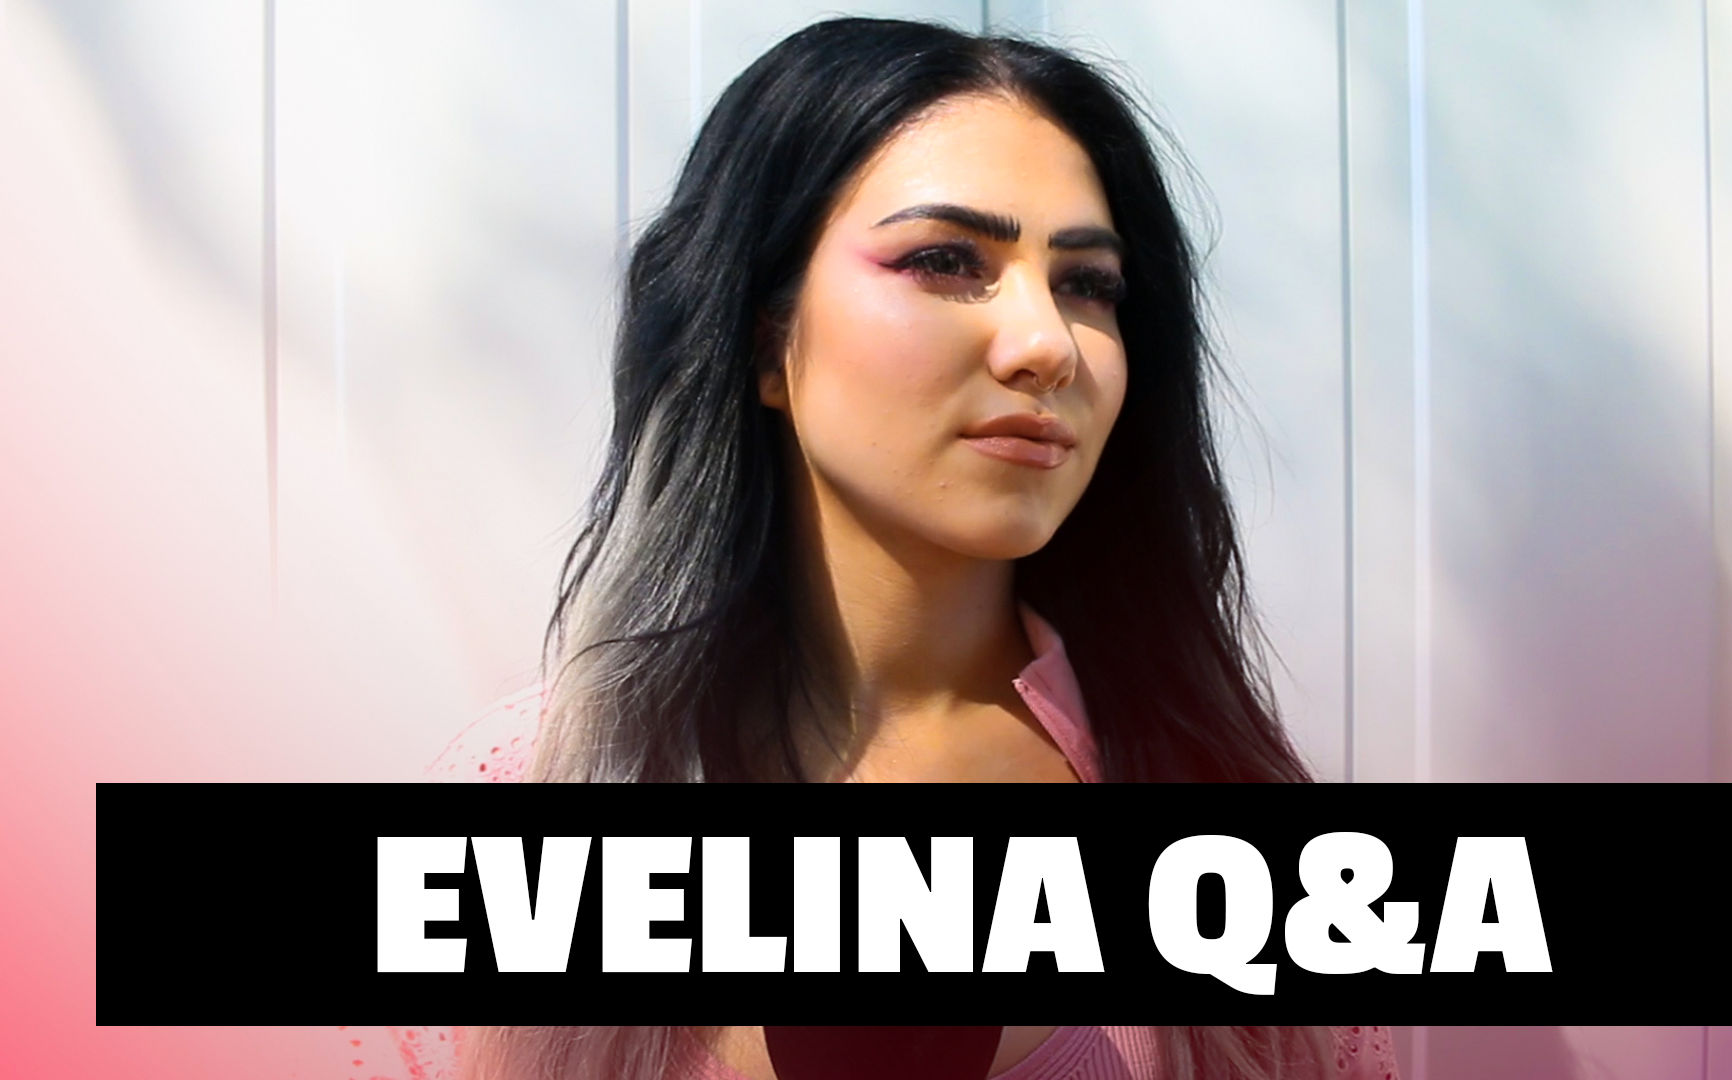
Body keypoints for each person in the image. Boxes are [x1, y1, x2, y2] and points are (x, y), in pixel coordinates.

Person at [413, 15, 1400, 1080]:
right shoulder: (526, 797)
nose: (1046, 345)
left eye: (1089, 284)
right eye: (944, 260)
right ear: (764, 338)